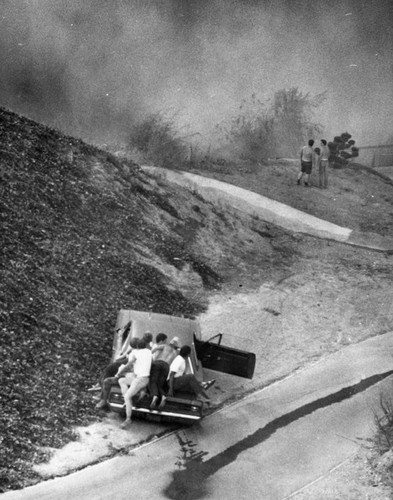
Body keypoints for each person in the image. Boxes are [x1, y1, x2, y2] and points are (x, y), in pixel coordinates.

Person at [95, 337, 139, 410]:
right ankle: (101, 389)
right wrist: (125, 355)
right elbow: (120, 358)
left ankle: (103, 396)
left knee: (110, 369)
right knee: (109, 369)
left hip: (129, 364)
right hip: (126, 361)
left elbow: (129, 364)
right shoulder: (133, 350)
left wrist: (122, 363)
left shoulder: (139, 352)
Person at [119, 338, 152, 428]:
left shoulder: (136, 353)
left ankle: (128, 419)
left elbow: (129, 365)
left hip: (140, 379)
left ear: (137, 346)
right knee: (122, 381)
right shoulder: (149, 352)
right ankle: (128, 402)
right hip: (143, 378)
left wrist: (119, 373)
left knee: (127, 396)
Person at [149, 336, 180, 409]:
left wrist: (150, 355)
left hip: (158, 363)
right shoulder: (176, 353)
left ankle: (155, 396)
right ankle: (163, 396)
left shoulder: (165, 346)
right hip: (167, 367)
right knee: (160, 384)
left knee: (153, 381)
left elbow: (154, 349)